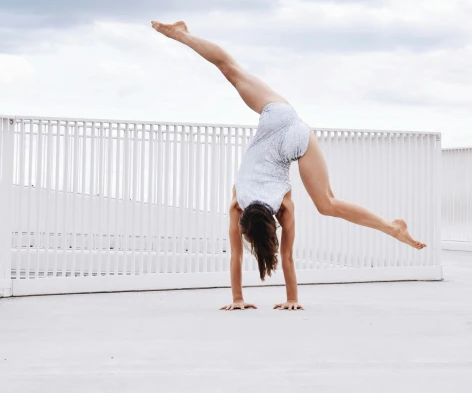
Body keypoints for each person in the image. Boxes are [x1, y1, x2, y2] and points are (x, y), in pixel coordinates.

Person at [151, 21, 426, 311]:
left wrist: (250, 300)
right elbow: (242, 256)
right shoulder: (238, 203)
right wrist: (253, 299)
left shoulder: (282, 207)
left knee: (328, 204)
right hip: (279, 118)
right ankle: (181, 34)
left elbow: (278, 256)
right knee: (230, 69)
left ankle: (391, 227)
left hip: (294, 137)